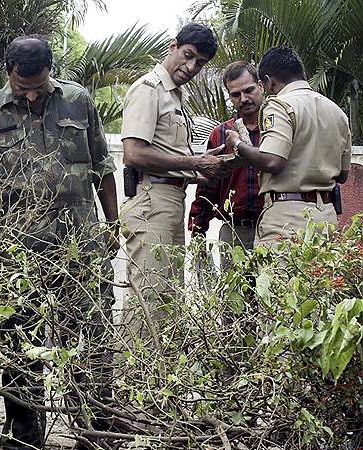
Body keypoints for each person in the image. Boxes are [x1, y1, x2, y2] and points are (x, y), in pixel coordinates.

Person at [0, 35, 119, 450]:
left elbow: (102, 166)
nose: (30, 94)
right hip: (19, 256)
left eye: (38, 84)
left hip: (80, 248)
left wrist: (111, 225)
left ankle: (100, 446)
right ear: (7, 73)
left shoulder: (78, 101)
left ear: (51, 70)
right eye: (21, 85)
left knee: (92, 348)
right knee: (21, 356)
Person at [120, 23, 228, 308]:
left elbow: (168, 155)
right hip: (149, 201)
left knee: (167, 300)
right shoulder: (148, 89)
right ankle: (129, 356)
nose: (191, 66)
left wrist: (200, 169)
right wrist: (194, 162)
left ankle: (157, 356)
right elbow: (133, 154)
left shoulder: (176, 96)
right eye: (188, 55)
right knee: (148, 297)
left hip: (170, 202)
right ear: (173, 46)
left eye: (200, 63)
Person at [226, 46, 351, 247]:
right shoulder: (336, 112)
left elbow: (273, 161)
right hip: (326, 217)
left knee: (280, 278)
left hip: (286, 219)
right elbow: (343, 176)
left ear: (269, 81)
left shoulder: (279, 105)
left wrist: (238, 144)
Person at [189, 61, 265, 259]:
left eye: (249, 90)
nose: (244, 99)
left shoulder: (277, 128)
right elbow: (207, 186)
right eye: (236, 94)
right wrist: (198, 231)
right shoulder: (220, 133)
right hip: (233, 231)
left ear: (261, 86)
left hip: (273, 227)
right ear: (230, 97)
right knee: (233, 290)